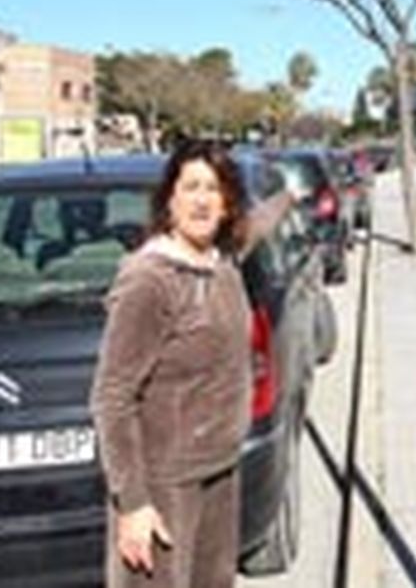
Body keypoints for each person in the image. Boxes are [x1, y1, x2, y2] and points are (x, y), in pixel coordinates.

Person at [91, 140, 263, 588]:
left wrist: (294, 196)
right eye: (190, 187)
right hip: (164, 485)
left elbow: (261, 223)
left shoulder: (221, 266)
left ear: (228, 205)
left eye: (214, 189)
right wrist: (132, 504)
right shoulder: (150, 281)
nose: (202, 200)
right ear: (169, 200)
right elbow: (113, 397)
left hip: (219, 469)